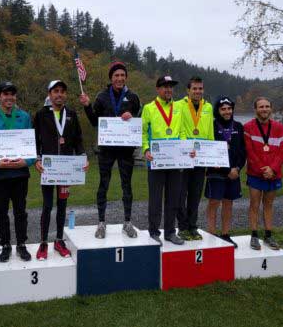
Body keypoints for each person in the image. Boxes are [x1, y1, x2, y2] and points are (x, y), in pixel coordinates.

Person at [79, 61, 141, 239]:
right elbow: (93, 121)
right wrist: (87, 106)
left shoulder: (133, 97)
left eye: (122, 75)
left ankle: (127, 222)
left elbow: (138, 120)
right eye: (116, 75)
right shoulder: (102, 96)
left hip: (125, 150)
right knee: (103, 185)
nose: (120, 78)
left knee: (126, 185)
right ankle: (101, 222)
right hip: (106, 149)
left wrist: (133, 116)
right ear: (111, 78)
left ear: (126, 77)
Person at [0, 81, 35, 262]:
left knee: (20, 211)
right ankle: (5, 245)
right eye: (5, 93)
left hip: (19, 174)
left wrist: (26, 161)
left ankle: (21, 244)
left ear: (15, 96)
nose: (9, 97)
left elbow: (32, 146)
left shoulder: (24, 117)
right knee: (1, 212)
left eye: (12, 93)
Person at [34, 80, 89, 260]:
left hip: (66, 170)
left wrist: (83, 156)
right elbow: (35, 141)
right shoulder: (41, 115)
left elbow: (78, 140)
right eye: (55, 91)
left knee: (62, 205)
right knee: (48, 205)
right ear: (49, 94)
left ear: (66, 94)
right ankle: (43, 243)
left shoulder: (72, 114)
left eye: (62, 91)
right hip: (49, 169)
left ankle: (58, 240)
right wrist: (37, 159)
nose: (59, 94)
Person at [142, 76, 185, 245]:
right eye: (164, 86)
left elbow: (181, 131)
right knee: (155, 199)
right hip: (155, 160)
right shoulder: (149, 108)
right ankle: (153, 232)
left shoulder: (179, 108)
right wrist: (145, 149)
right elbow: (143, 132)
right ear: (157, 89)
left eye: (171, 87)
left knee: (173, 198)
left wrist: (184, 149)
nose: (168, 89)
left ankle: (170, 232)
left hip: (174, 161)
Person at [244, 97, 283, 250]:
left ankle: (268, 235)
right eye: (261, 107)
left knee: (268, 204)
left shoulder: (279, 127)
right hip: (256, 173)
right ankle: (254, 236)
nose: (264, 109)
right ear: (255, 109)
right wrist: (264, 169)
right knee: (254, 204)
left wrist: (272, 169)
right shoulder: (248, 127)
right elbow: (250, 152)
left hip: (274, 174)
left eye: (267, 106)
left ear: (271, 109)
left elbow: (282, 152)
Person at [176, 76, 214, 240]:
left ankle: (193, 226)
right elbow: (177, 128)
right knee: (180, 194)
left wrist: (212, 156)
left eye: (200, 89)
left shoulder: (209, 107)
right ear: (188, 90)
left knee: (195, 194)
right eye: (195, 89)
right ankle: (182, 227)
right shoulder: (179, 105)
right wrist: (185, 147)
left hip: (201, 157)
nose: (198, 91)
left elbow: (210, 131)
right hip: (184, 155)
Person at [205, 96, 246, 248]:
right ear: (218, 110)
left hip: (234, 173)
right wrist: (226, 169)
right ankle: (211, 234)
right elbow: (207, 148)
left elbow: (243, 151)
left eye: (229, 109)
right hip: (216, 172)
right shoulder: (211, 126)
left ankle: (225, 235)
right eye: (223, 109)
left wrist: (237, 168)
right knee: (214, 202)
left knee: (228, 204)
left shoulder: (239, 126)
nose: (227, 111)